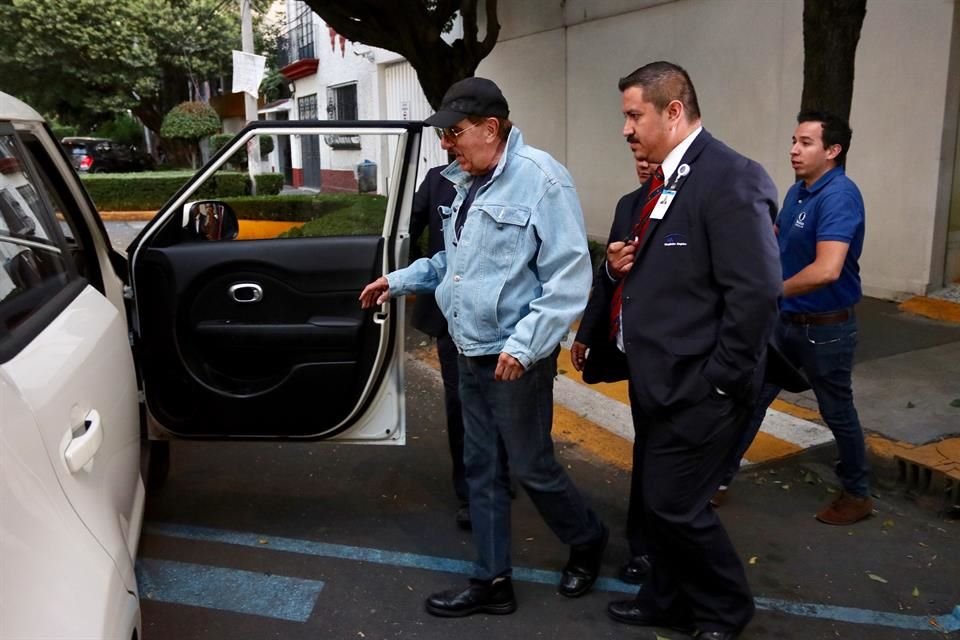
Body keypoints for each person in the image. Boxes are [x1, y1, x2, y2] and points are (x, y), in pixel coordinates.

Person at [359, 77, 608, 617]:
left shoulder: (542, 180)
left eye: (454, 132)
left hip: (513, 358)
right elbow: (454, 262)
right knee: (481, 468)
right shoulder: (463, 182)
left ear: (491, 128)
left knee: (531, 466)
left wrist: (524, 347)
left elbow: (568, 278)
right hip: (467, 347)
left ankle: (587, 538)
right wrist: (398, 280)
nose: (446, 143)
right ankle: (492, 581)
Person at [600, 62, 781, 640]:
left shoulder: (730, 178)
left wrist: (721, 379)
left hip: (700, 386)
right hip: (659, 378)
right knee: (657, 506)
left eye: (635, 115)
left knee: (675, 506)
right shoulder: (670, 179)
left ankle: (725, 609)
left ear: (673, 112)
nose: (626, 129)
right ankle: (668, 601)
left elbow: (754, 293)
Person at [717, 111, 871, 526]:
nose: (794, 150)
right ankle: (718, 479)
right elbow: (781, 243)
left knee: (837, 412)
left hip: (826, 329)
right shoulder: (800, 191)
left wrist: (767, 292)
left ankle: (857, 493)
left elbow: (827, 270)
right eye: (793, 141)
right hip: (784, 324)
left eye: (805, 142)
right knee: (751, 400)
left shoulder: (839, 195)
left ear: (833, 151)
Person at [570, 154, 661, 585]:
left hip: (679, 357)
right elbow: (607, 275)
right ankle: (643, 547)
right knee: (646, 450)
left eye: (650, 153)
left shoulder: (694, 200)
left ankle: (666, 547)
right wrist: (586, 333)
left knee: (666, 457)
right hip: (635, 353)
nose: (642, 161)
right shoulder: (629, 204)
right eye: (636, 155)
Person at [408, 163, 470, 530]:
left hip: (500, 321)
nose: (448, 143)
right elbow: (408, 232)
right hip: (450, 316)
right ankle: (469, 492)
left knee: (499, 404)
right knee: (460, 402)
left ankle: (499, 475)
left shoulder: (517, 178)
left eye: (454, 132)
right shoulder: (437, 180)